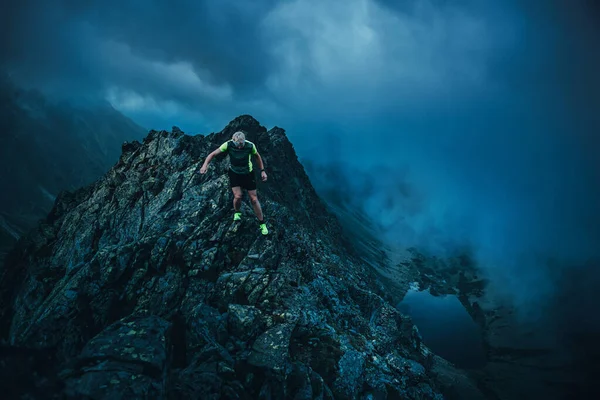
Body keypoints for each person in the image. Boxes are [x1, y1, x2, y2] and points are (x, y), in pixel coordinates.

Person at [199, 131, 269, 235]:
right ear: (233, 140)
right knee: (238, 196)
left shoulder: (250, 146)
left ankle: (262, 223)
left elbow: (257, 157)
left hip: (248, 174)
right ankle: (237, 212)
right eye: (237, 144)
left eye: (242, 144)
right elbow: (213, 154)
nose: (240, 147)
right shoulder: (228, 144)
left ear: (244, 141)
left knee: (254, 199)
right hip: (235, 173)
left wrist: (262, 171)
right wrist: (205, 165)